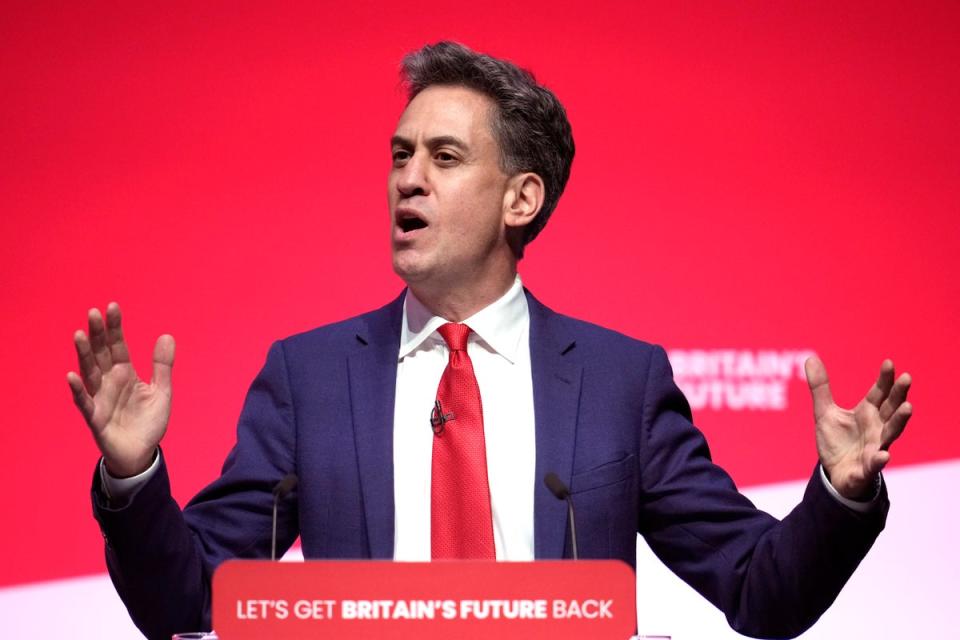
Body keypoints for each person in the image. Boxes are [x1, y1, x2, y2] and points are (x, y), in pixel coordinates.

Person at [68, 42, 913, 640]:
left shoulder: (621, 382)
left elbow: (760, 590)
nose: (408, 177)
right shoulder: (311, 377)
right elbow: (185, 599)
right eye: (400, 155)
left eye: (443, 156)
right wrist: (132, 475)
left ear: (520, 199)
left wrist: (840, 496)